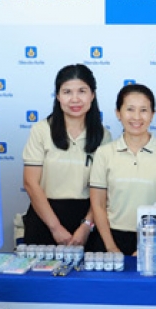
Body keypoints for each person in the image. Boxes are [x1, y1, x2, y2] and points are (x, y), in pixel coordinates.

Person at [23, 64, 110, 251]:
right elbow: (30, 183)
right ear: (57, 96)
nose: (75, 99)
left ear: (92, 95)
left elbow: (103, 190)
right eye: (67, 92)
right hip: (45, 217)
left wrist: (86, 226)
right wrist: (55, 228)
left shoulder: (103, 136)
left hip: (88, 220)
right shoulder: (41, 130)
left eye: (82, 91)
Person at [89, 84, 156, 255]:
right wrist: (111, 247)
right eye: (130, 109)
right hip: (109, 238)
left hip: (154, 240)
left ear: (153, 114)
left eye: (144, 110)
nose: (137, 117)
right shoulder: (104, 153)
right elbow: (98, 204)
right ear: (118, 113)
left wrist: (147, 246)